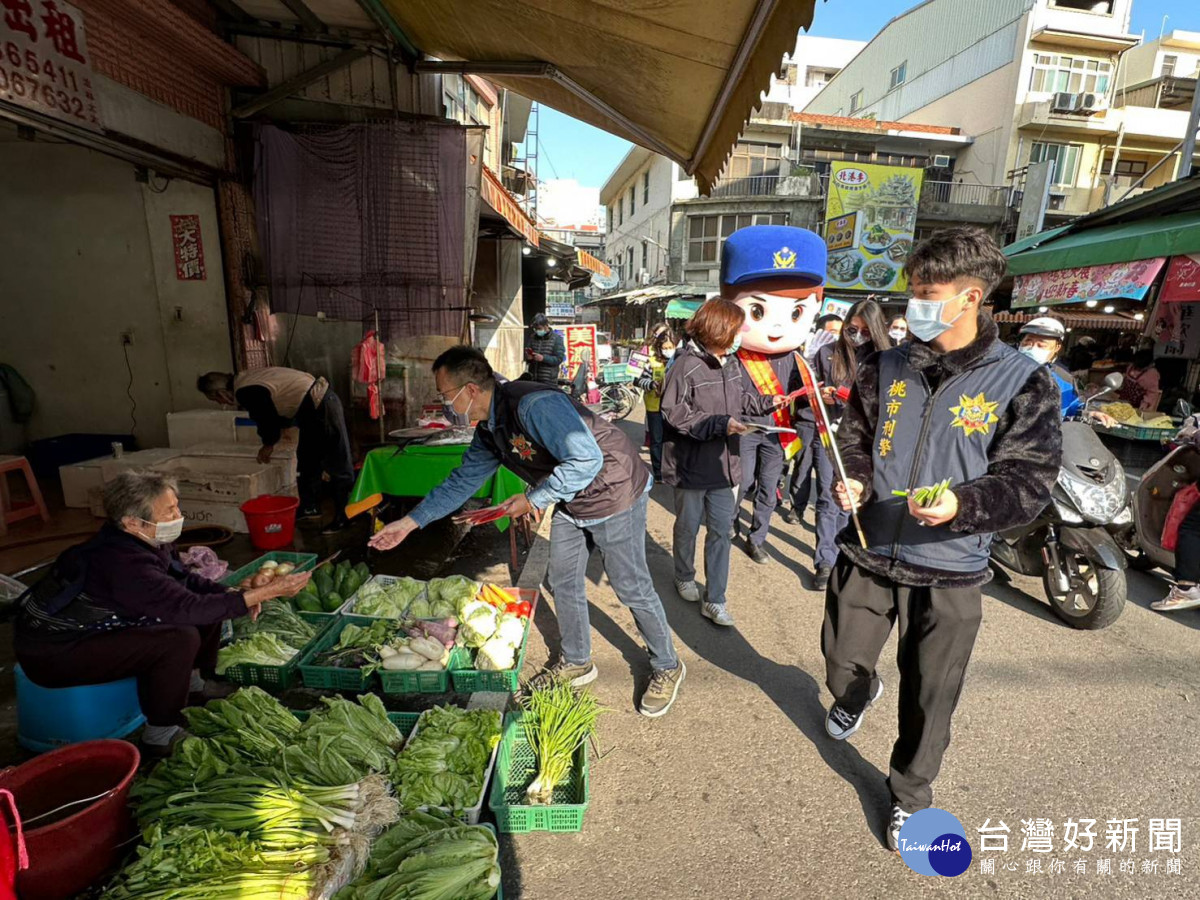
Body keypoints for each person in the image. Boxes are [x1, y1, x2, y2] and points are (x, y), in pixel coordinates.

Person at [822, 226, 1062, 850]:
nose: (914, 307)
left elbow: (1030, 480)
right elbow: (855, 437)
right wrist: (854, 479)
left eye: (927, 294)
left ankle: (910, 796)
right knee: (840, 659)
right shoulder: (885, 366)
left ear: (971, 297)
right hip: (868, 546)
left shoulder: (1021, 382)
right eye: (912, 293)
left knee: (930, 694)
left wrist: (964, 504)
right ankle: (857, 689)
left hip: (950, 566)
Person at [367, 346, 684, 717]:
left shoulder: (533, 406)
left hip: (614, 488)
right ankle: (577, 660)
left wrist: (533, 499)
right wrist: (409, 523)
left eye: (444, 395)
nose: (443, 405)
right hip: (571, 495)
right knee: (563, 579)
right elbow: (460, 483)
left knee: (630, 584)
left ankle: (667, 665)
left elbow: (587, 459)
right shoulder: (489, 428)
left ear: (470, 390)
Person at [14, 471, 310, 757]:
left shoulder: (148, 540)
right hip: (56, 652)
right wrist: (261, 594)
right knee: (177, 637)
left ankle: (194, 684)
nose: (178, 515)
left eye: (176, 506)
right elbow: (185, 608)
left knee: (210, 602)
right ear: (132, 522)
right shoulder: (121, 564)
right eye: (168, 512)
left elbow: (184, 581)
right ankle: (160, 733)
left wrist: (229, 595)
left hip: (93, 630)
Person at [661, 299, 790, 627]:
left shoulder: (731, 364)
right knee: (688, 526)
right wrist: (720, 424)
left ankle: (715, 599)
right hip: (691, 465)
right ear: (718, 329)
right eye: (735, 329)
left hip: (724, 465)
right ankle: (684, 574)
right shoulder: (684, 366)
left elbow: (740, 400)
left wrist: (765, 403)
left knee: (720, 531)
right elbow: (674, 414)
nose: (739, 336)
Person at [727, 225, 825, 565]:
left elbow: (806, 394)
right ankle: (728, 524)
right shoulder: (735, 356)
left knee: (769, 487)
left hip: (779, 433)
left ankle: (758, 536)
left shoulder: (795, 358)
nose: (779, 327)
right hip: (745, 430)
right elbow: (730, 396)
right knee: (739, 482)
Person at [198, 367, 354, 533]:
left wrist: (268, 444)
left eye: (215, 399)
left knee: (337, 463)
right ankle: (309, 507)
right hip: (311, 406)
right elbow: (277, 406)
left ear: (221, 393)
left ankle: (346, 516)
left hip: (321, 404)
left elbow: (266, 417)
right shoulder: (245, 379)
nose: (220, 403)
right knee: (308, 459)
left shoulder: (246, 390)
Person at [803, 298, 891, 590]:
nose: (857, 337)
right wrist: (821, 395)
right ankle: (825, 560)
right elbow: (807, 388)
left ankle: (854, 555)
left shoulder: (889, 360)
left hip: (874, 443)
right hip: (832, 435)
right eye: (852, 329)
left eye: (865, 331)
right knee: (831, 499)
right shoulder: (828, 353)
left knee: (862, 502)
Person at [636, 330, 676, 481]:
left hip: (673, 409)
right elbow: (637, 380)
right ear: (659, 347)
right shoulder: (651, 361)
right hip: (654, 407)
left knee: (672, 441)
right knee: (657, 440)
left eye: (670, 346)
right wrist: (652, 384)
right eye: (665, 347)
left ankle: (671, 470)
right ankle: (658, 473)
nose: (668, 350)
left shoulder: (679, 361)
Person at [523, 313, 566, 384]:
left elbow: (559, 359)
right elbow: (528, 355)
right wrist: (528, 357)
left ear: (546, 326)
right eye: (535, 329)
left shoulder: (556, 339)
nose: (537, 331)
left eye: (539, 328)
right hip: (533, 379)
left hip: (549, 381)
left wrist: (543, 358)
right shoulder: (532, 337)